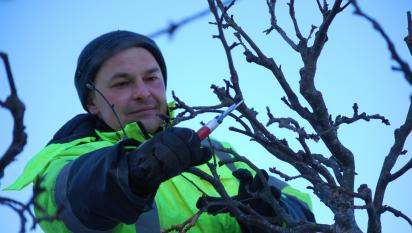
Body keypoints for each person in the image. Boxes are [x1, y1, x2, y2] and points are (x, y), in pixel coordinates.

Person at [6, 30, 315, 233]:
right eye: (122, 83)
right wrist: (129, 175)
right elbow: (72, 202)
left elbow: (301, 205)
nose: (142, 92)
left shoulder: (217, 153)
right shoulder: (64, 160)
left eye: (151, 78)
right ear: (92, 103)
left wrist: (275, 213)